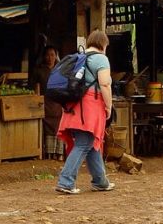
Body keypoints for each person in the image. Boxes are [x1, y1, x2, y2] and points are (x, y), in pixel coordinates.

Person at [55, 30, 115, 194]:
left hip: (73, 105)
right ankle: (66, 181)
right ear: (103, 44)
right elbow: (104, 84)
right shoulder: (101, 59)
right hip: (89, 106)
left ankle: (100, 181)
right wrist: (109, 106)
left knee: (91, 143)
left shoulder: (78, 57)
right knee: (83, 143)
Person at [30, 45, 62, 160]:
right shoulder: (39, 71)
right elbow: (33, 87)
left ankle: (59, 155)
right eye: (47, 55)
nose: (50, 57)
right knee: (46, 130)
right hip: (45, 104)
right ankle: (47, 155)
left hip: (58, 105)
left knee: (58, 128)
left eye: (52, 55)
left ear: (56, 56)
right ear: (44, 56)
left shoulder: (60, 70)